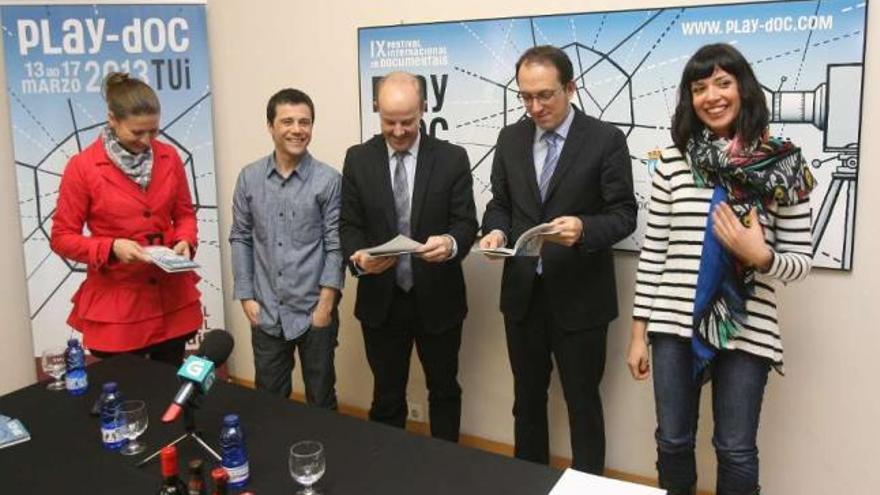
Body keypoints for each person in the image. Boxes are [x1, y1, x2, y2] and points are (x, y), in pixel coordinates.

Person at [626, 43, 814, 495]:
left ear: (744, 89)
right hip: (672, 324)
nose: (711, 95)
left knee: (735, 448)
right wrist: (638, 333)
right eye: (699, 87)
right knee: (672, 441)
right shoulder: (672, 160)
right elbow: (655, 251)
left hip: (748, 324)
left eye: (723, 83)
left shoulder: (785, 162)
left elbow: (801, 262)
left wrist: (759, 255)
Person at [480, 45, 637, 474]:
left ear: (570, 87)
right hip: (523, 295)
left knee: (583, 405)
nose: (535, 106)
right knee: (526, 401)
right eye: (526, 96)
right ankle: (527, 482)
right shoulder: (510, 138)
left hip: (581, 300)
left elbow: (624, 215)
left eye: (545, 95)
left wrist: (584, 230)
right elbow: (501, 204)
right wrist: (495, 230)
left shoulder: (605, 139)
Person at [340, 72, 478, 442]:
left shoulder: (451, 158)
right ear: (376, 110)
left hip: (439, 297)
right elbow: (349, 226)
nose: (399, 130)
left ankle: (447, 473)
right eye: (389, 121)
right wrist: (359, 260)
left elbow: (466, 223)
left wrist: (449, 243)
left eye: (408, 120)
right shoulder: (358, 159)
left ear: (424, 110)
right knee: (386, 397)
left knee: (445, 391)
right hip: (381, 302)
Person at [50, 72, 201, 366]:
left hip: (172, 301)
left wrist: (185, 239)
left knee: (168, 389)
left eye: (154, 131)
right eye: (136, 132)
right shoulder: (82, 168)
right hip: (119, 308)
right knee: (125, 394)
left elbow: (184, 214)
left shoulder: (169, 157)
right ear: (112, 120)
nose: (147, 141)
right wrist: (110, 247)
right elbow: (62, 237)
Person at [229, 89, 343, 408]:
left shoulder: (329, 180)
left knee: (321, 399)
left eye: (304, 122)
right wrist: (247, 297)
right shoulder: (249, 178)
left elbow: (336, 246)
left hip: (313, 311)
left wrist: (325, 307)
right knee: (269, 400)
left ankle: (325, 457)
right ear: (270, 126)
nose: (297, 129)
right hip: (266, 310)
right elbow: (240, 237)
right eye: (287, 121)